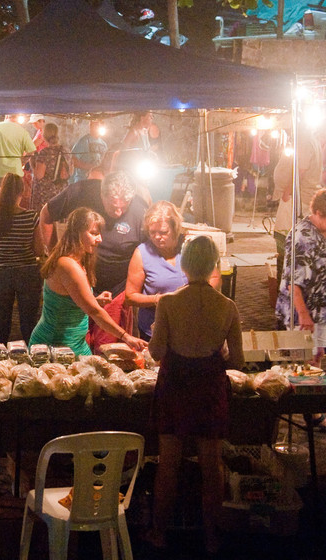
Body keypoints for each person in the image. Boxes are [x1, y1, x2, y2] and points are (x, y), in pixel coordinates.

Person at [146, 236, 243, 555]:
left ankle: (159, 533)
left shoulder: (169, 303)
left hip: (175, 384)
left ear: (185, 264)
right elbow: (237, 361)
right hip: (209, 387)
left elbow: (157, 350)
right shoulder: (228, 307)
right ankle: (212, 538)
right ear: (213, 264)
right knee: (211, 466)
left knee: (168, 463)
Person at [28, 207, 148, 356]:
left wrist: (95, 300)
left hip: (74, 343)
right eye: (93, 233)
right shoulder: (67, 265)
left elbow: (69, 302)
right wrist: (126, 337)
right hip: (55, 345)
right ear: (77, 233)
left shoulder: (78, 261)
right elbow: (93, 311)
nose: (100, 239)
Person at [40, 170, 147, 298]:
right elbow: (46, 214)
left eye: (124, 207)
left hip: (119, 287)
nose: (118, 212)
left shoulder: (141, 210)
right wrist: (54, 255)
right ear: (102, 196)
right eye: (113, 207)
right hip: (78, 279)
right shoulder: (80, 192)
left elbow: (147, 252)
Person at [0, 174, 44, 344]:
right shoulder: (31, 217)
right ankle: (32, 364)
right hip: (28, 273)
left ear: (2, 191)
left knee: (1, 325)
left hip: (2, 273)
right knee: (29, 324)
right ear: (21, 192)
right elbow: (39, 250)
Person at [124, 201, 186, 339]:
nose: (157, 237)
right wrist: (157, 299)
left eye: (163, 232)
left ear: (175, 229)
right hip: (155, 331)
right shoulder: (142, 253)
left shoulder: (188, 247)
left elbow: (213, 277)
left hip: (188, 328)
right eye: (152, 232)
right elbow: (130, 296)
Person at [276, 188, 326, 357]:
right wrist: (304, 315)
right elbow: (293, 282)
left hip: (320, 313)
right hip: (304, 315)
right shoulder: (303, 237)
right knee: (306, 366)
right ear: (318, 213)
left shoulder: (322, 231)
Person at [0, 116, 35, 202]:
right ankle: (12, 215)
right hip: (15, 171)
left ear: (6, 116)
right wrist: (22, 162)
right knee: (14, 198)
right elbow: (31, 151)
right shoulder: (22, 131)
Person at [29, 123, 70, 212]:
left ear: (44, 136)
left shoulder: (45, 153)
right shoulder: (66, 151)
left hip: (46, 195)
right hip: (61, 193)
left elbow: (39, 175)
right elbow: (71, 171)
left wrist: (32, 162)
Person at [69, 118, 107, 184]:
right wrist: (89, 167)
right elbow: (73, 160)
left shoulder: (104, 144)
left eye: (99, 125)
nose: (98, 127)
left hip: (97, 181)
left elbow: (105, 161)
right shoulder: (84, 142)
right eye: (95, 125)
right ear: (90, 126)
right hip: (83, 180)